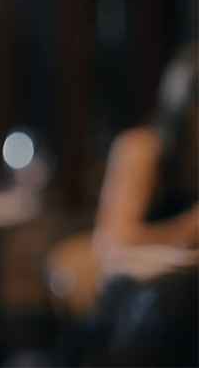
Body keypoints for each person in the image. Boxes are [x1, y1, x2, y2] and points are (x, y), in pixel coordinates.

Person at [80, 44, 198, 366]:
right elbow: (110, 241)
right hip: (134, 301)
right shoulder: (141, 149)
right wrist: (184, 229)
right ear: (184, 106)